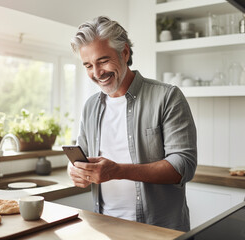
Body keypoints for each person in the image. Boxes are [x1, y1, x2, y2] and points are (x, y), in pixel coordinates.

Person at [69, 16, 197, 232]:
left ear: (125, 53)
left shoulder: (167, 97)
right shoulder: (90, 106)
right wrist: (74, 169)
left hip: (158, 230)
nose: (97, 73)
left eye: (102, 61)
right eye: (88, 65)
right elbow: (82, 154)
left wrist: (118, 171)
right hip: (105, 227)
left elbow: (183, 166)